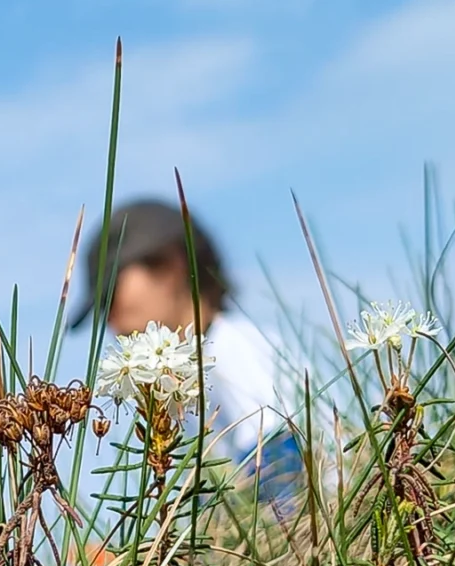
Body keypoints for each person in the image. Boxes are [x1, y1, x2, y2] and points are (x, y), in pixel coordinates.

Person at [73, 200, 304, 504]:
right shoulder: (198, 373)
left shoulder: (233, 352)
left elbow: (284, 487)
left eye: (110, 292)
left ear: (171, 265)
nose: (110, 318)